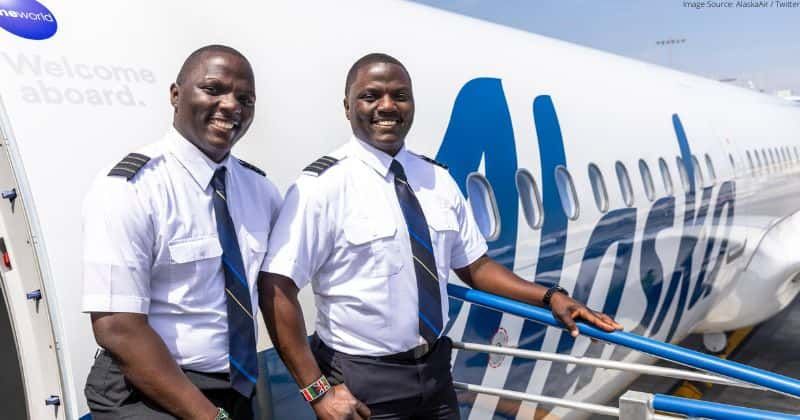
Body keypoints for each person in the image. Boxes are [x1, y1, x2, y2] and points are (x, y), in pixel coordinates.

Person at [259, 53, 622, 420]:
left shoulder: (437, 180)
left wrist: (550, 296)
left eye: (399, 96)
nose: (387, 106)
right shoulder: (322, 187)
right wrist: (318, 392)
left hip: (435, 375)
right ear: (347, 106)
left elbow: (476, 267)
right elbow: (277, 288)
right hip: (361, 382)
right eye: (371, 96)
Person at [82, 45, 281, 420]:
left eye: (245, 98)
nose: (231, 105)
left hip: (234, 387)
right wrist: (209, 416)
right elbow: (117, 328)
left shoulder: (261, 191)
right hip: (145, 391)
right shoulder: (131, 188)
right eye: (213, 89)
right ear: (175, 95)